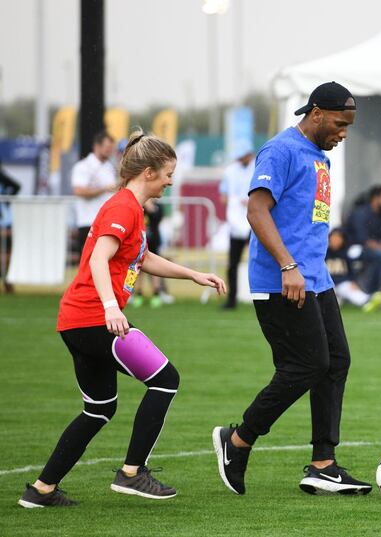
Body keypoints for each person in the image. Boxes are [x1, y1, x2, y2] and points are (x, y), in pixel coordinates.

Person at [18, 131, 227, 509]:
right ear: (147, 172)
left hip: (77, 321)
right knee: (166, 380)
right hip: (95, 319)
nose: (170, 181)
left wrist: (193, 275)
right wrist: (112, 308)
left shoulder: (129, 207)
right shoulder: (123, 208)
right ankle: (132, 473)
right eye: (167, 173)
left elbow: (142, 259)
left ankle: (41, 489)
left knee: (99, 409)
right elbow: (99, 259)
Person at [212, 81, 372, 496]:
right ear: (315, 113)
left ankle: (323, 464)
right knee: (305, 366)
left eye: (349, 125)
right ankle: (238, 441)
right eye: (339, 124)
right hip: (281, 281)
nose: (344, 133)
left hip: (315, 279)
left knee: (336, 361)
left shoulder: (321, 157)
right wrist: (288, 265)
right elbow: (256, 209)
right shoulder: (280, 151)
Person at [219, 140, 256, 309]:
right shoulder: (230, 171)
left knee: (258, 260)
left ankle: (262, 297)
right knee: (232, 263)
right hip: (236, 221)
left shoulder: (258, 167)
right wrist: (234, 202)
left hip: (255, 220)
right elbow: (223, 196)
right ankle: (231, 299)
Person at [345, 184, 381, 294]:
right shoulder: (361, 213)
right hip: (354, 248)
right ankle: (369, 291)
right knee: (380, 256)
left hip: (373, 248)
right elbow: (363, 240)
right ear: (376, 198)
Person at [72, 131, 118, 250]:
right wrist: (104, 189)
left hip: (106, 222)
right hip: (88, 222)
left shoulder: (109, 167)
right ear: (97, 146)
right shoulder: (83, 166)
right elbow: (78, 191)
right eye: (107, 147)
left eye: (112, 148)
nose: (110, 151)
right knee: (88, 263)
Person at [325, 228, 381, 312]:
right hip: (327, 285)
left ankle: (367, 301)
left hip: (342, 283)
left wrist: (353, 281)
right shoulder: (323, 254)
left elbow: (351, 271)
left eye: (338, 238)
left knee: (350, 290)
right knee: (331, 304)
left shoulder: (346, 254)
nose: (335, 240)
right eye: (333, 238)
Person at [131, 199, 176, 308]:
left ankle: (156, 294)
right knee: (138, 269)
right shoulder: (138, 205)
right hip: (140, 241)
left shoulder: (158, 206)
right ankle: (137, 294)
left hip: (153, 241)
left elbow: (156, 218)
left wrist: (149, 206)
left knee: (155, 271)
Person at [0, 160, 21, 293]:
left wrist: (6, 199)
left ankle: (6, 279)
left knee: (7, 252)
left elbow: (16, 186)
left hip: (4, 221)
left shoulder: (1, 176)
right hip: (5, 221)